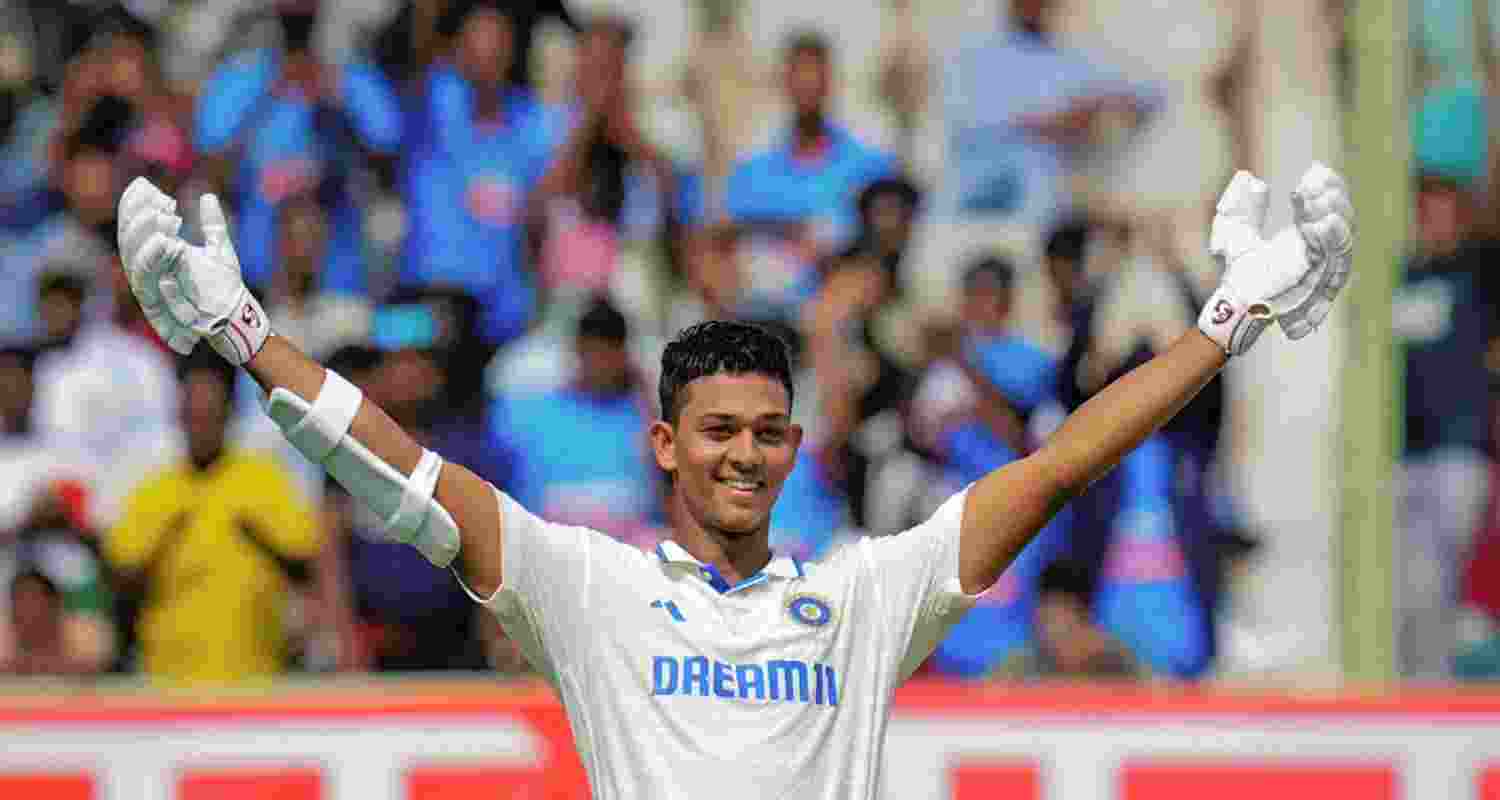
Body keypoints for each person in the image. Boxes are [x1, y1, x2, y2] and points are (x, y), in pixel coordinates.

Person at [113, 158, 1351, 795]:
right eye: (715, 431)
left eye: (766, 432)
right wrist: (245, 335)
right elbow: (409, 476)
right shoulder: (589, 586)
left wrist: (1227, 319)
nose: (742, 454)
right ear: (664, 443)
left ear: (796, 447)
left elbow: (1063, 459)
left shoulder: (864, 597)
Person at [103, 349, 323, 684]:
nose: (201, 427)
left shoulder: (264, 479)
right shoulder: (154, 489)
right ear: (179, 417)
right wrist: (166, 536)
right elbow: (121, 573)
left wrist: (257, 534)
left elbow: (305, 557)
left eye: (210, 415)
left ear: (229, 414)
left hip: (255, 676)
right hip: (168, 679)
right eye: (193, 416)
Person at [994, 558, 1143, 681]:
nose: (1050, 632)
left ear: (1085, 619)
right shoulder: (1020, 667)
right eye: (1045, 620)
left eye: (1056, 619)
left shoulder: (1120, 663)